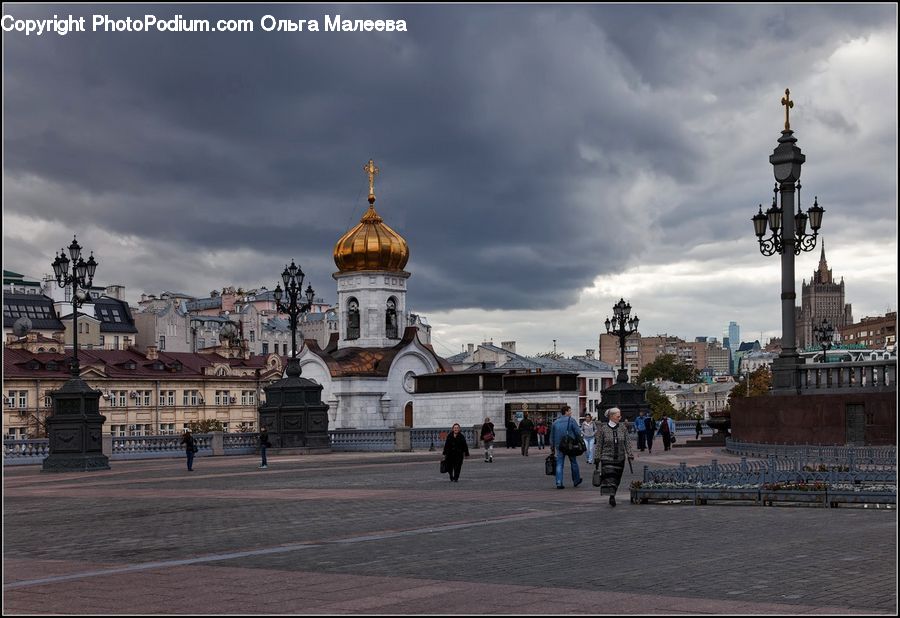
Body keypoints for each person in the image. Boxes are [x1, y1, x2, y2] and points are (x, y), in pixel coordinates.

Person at [595, 407, 635, 507]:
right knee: (609, 477)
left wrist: (630, 454)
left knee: (617, 478)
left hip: (620, 458)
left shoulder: (623, 428)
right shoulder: (603, 429)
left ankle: (613, 492)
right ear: (611, 416)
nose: (620, 418)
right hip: (606, 457)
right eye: (618, 416)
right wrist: (597, 457)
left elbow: (627, 442)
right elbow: (599, 444)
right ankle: (612, 495)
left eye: (620, 416)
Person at [549, 405, 583, 489]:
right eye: (570, 411)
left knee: (559, 463)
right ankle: (576, 480)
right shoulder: (571, 421)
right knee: (573, 462)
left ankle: (559, 482)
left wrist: (552, 447)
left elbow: (551, 436)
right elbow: (578, 432)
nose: (571, 412)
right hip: (570, 445)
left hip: (559, 446)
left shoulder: (555, 422)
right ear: (566, 412)